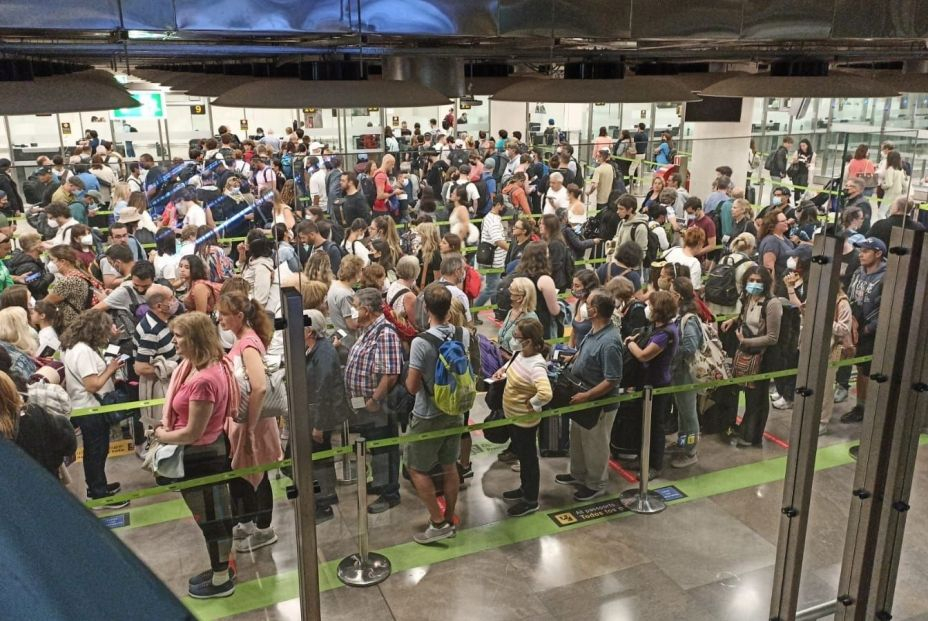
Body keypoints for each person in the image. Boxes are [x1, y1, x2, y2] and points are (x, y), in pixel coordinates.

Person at [151, 312, 239, 599]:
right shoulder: (205, 366)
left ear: (196, 339)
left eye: (179, 336)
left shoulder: (203, 380)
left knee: (211, 518)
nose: (174, 342)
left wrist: (161, 436)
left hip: (201, 454)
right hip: (207, 450)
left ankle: (221, 578)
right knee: (215, 515)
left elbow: (191, 432)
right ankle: (220, 570)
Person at [217, 292, 282, 554]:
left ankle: (264, 528)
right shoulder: (242, 340)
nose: (219, 319)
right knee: (244, 474)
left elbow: (259, 387)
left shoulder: (248, 344)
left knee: (259, 473)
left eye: (224, 314)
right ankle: (247, 520)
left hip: (252, 422)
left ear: (239, 316)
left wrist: (252, 426)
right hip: (245, 421)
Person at [405, 283, 470, 542]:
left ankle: (437, 521)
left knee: (416, 468)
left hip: (427, 413)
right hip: (454, 409)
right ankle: (451, 515)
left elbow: (411, 387)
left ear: (426, 308)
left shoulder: (421, 342)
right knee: (449, 466)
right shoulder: (462, 334)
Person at [556, 289, 625, 494]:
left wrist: (587, 396)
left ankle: (596, 483)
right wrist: (573, 359)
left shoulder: (610, 342)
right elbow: (584, 349)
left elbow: (612, 379)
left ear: (594, 311)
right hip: (581, 396)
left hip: (598, 404)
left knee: (595, 444)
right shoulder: (594, 330)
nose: (584, 304)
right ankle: (578, 474)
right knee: (577, 438)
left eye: (588, 303)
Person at [344, 288, 404, 513]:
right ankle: (380, 481)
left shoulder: (385, 333)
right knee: (375, 446)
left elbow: (390, 374)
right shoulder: (368, 329)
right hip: (366, 404)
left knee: (384, 448)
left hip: (379, 406)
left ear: (367, 310)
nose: (353, 311)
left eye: (356, 306)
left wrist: (374, 399)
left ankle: (390, 493)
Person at [61, 310, 127, 507]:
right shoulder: (83, 352)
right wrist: (111, 370)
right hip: (91, 410)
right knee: (96, 452)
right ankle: (98, 494)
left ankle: (99, 485)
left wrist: (113, 343)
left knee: (96, 450)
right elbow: (92, 384)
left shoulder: (77, 347)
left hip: (88, 408)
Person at [493, 317, 552, 517]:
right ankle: (524, 488)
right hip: (513, 417)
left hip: (525, 421)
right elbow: (509, 366)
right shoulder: (519, 354)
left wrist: (532, 403)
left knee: (528, 460)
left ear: (528, 340)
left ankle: (531, 499)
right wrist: (501, 372)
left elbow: (546, 393)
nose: (514, 339)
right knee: (523, 456)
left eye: (517, 336)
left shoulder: (536, 365)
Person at [721, 266, 782, 447]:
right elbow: (745, 317)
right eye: (751, 280)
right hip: (748, 352)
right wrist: (732, 321)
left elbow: (772, 338)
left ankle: (752, 436)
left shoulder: (772, 304)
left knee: (758, 398)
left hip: (763, 357)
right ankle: (747, 429)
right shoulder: (749, 298)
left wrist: (746, 341)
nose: (754, 284)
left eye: (758, 281)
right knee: (749, 394)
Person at [623, 290, 679, 478]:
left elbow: (643, 355)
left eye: (651, 305)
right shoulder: (656, 328)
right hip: (646, 383)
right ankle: (642, 458)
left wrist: (630, 343)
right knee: (642, 423)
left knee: (655, 426)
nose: (647, 308)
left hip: (657, 385)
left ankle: (654, 464)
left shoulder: (665, 334)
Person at [301, 309, 349, 522]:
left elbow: (323, 390)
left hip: (321, 417)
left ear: (309, 331)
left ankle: (324, 501)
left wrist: (319, 425)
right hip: (313, 414)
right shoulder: (313, 348)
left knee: (319, 460)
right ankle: (325, 496)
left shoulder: (324, 353)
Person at [842, 237, 886, 424]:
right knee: (860, 368)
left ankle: (864, 407)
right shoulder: (859, 272)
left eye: (866, 251)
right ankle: (861, 404)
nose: (861, 254)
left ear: (878, 254)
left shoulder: (887, 277)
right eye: (861, 250)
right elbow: (850, 296)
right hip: (855, 327)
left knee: (867, 371)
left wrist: (868, 328)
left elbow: (887, 309)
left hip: (872, 332)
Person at [668, 277, 703, 468]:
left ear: (678, 296)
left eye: (672, 292)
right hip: (679, 372)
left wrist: (671, 349)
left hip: (686, 372)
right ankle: (684, 442)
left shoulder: (689, 319)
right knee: (682, 410)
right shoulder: (681, 314)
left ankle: (690, 452)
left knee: (688, 413)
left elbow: (689, 347)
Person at [43, 245, 104, 326]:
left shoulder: (67, 281)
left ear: (62, 261)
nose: (50, 263)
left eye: (52, 260)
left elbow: (44, 303)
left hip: (75, 326)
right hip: (89, 323)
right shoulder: (80, 273)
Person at [516, 242, 562, 339]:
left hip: (521, 321)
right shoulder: (545, 280)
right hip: (540, 325)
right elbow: (554, 310)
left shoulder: (518, 274)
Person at [474, 198, 509, 308]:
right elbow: (498, 240)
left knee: (495, 286)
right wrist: (511, 249)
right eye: (503, 206)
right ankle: (475, 311)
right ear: (498, 205)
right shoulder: (493, 221)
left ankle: (497, 311)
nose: (504, 209)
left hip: (494, 259)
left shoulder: (490, 217)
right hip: (494, 260)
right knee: (491, 288)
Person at [326, 254, 364, 351]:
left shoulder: (336, 285)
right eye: (361, 270)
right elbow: (352, 324)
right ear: (355, 273)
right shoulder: (345, 295)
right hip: (347, 343)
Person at [569, 269, 601, 349]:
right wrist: (569, 350)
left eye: (577, 286)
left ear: (588, 287)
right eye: (573, 285)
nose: (573, 289)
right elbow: (574, 331)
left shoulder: (596, 307)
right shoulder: (578, 302)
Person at [879, 150, 909, 218]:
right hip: (898, 194)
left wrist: (882, 185)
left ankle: (883, 227)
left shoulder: (890, 169)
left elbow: (889, 184)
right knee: (891, 213)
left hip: (889, 194)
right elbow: (904, 184)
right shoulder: (900, 170)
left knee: (881, 213)